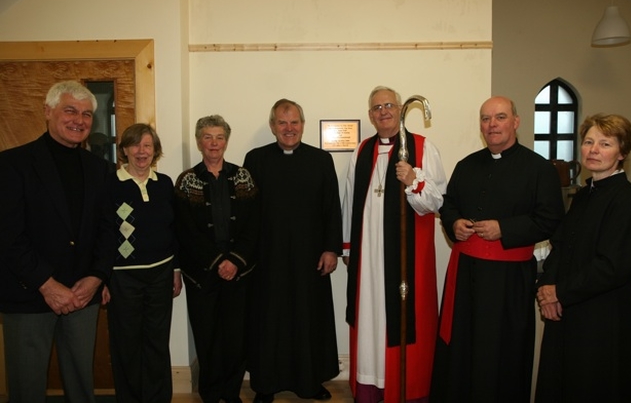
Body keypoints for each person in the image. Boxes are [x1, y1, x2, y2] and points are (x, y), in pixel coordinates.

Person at [432, 95, 565, 402]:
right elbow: (449, 204)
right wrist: (454, 224)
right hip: (466, 275)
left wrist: (503, 229)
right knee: (462, 346)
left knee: (501, 350)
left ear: (516, 122)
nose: (492, 125)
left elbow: (551, 220)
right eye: (486, 119)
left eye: (500, 117)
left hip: (509, 279)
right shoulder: (467, 165)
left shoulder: (539, 169)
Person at [0, 80, 113, 402]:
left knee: (81, 385)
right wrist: (47, 285)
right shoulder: (11, 165)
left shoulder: (101, 169)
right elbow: (7, 236)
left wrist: (96, 277)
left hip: (82, 295)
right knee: (26, 387)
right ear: (48, 112)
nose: (79, 120)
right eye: (70, 110)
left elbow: (109, 229)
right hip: (28, 294)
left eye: (87, 114)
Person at [341, 86, 447, 402]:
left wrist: (413, 180)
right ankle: (369, 387)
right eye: (376, 107)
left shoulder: (424, 147)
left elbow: (438, 202)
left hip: (406, 261)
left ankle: (407, 389)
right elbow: (349, 202)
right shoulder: (361, 151)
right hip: (367, 260)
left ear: (400, 108)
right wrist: (348, 249)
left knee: (402, 317)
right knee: (369, 317)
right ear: (370, 114)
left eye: (388, 105)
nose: (383, 111)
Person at [535, 113, 631, 402]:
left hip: (604, 317)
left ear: (623, 152)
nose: (594, 150)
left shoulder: (629, 200)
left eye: (605, 144)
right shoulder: (582, 196)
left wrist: (560, 292)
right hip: (568, 308)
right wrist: (546, 290)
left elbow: (613, 266)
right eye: (589, 142)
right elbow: (560, 246)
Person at [243, 99, 342, 403]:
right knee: (268, 320)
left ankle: (309, 382)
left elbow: (331, 209)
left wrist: (331, 250)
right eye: (282, 123)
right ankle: (265, 384)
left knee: (307, 318)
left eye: (295, 122)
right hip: (267, 257)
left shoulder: (321, 160)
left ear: (303, 124)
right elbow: (246, 212)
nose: (289, 128)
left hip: (309, 257)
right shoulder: (255, 159)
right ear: (273, 126)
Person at [175, 115, 259, 403]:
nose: (214, 143)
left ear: (226, 141)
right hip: (202, 273)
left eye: (219, 137)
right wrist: (217, 261)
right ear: (199, 142)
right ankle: (210, 394)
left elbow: (254, 225)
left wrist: (234, 261)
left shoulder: (243, 176)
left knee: (236, 338)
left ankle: (231, 392)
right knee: (207, 336)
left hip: (239, 271)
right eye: (208, 137)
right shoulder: (187, 181)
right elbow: (185, 230)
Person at [102, 123, 182, 402]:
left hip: (161, 274)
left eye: (147, 145)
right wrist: (101, 277)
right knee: (126, 345)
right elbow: (102, 233)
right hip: (123, 278)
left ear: (155, 150)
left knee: (157, 342)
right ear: (124, 150)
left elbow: (174, 230)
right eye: (135, 145)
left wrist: (175, 270)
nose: (141, 151)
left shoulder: (165, 184)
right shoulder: (110, 184)